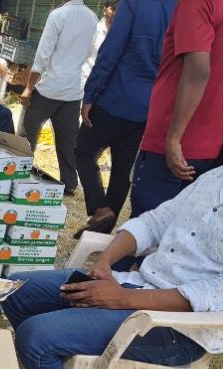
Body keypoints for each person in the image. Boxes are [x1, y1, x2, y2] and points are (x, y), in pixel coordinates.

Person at [3, 164, 223, 369]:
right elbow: (156, 222)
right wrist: (105, 261)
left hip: (181, 328)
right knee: (16, 291)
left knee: (36, 337)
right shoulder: (219, 176)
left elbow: (216, 292)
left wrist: (121, 298)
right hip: (137, 284)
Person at [73, 0, 177, 238]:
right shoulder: (182, 7)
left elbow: (111, 50)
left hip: (116, 97)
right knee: (122, 168)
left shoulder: (135, 3)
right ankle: (102, 231)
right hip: (150, 104)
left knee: (83, 151)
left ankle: (100, 209)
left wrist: (91, 94)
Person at [130, 0, 223, 218]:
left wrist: (174, 138)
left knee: (148, 227)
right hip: (212, 146)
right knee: (185, 230)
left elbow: (198, 70)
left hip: (173, 145)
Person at [19, 0, 98, 196]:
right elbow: (90, 54)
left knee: (27, 134)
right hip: (73, 90)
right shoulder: (92, 18)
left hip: (48, 87)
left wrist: (29, 87)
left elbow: (43, 54)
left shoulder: (58, 15)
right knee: (68, 141)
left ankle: (18, 173)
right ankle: (69, 184)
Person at [80, 0, 118, 86]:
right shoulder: (94, 30)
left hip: (107, 84)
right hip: (86, 80)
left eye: (118, 10)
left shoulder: (121, 34)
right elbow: (81, 55)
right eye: (113, 9)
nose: (115, 13)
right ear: (104, 10)